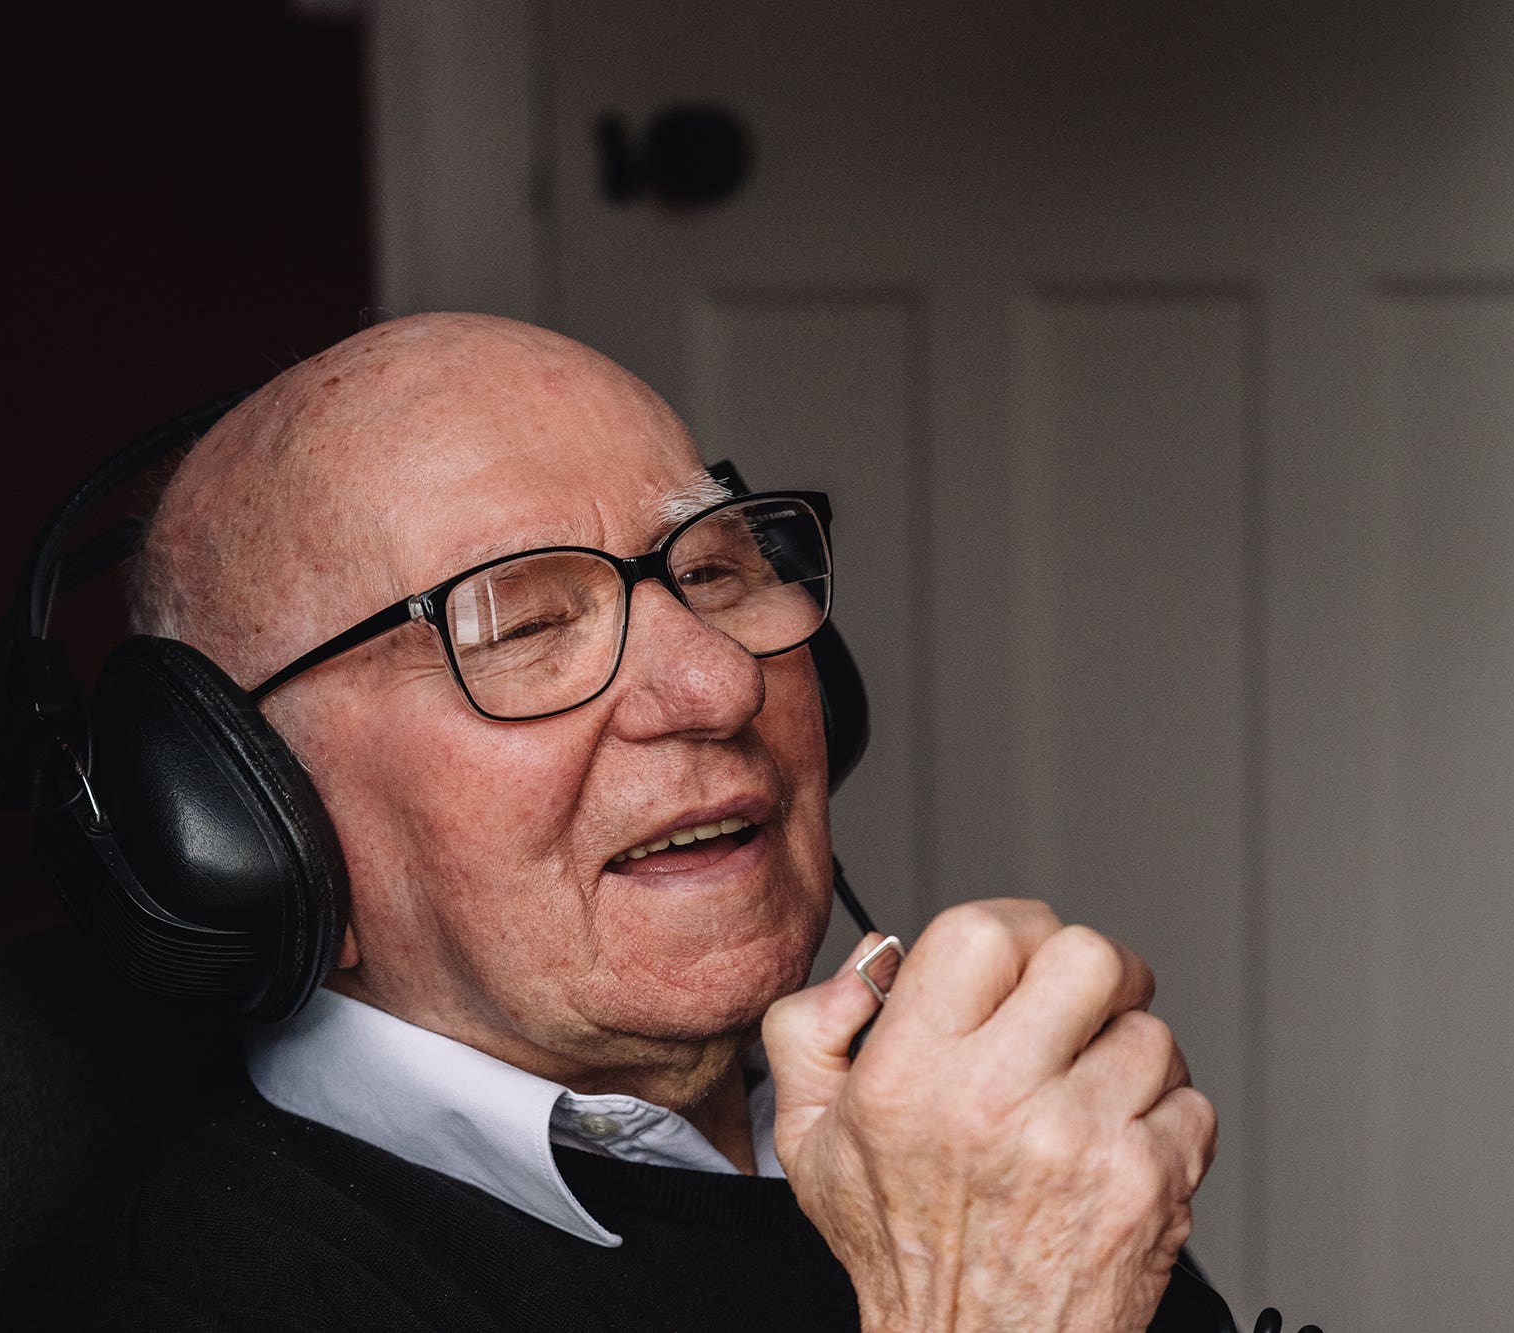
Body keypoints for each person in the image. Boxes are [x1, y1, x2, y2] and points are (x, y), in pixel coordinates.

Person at [64, 312, 1220, 1329]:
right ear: (241, 822)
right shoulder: (206, 1298)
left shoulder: (958, 1129)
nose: (719, 686)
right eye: (520, 629)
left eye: (715, 572)